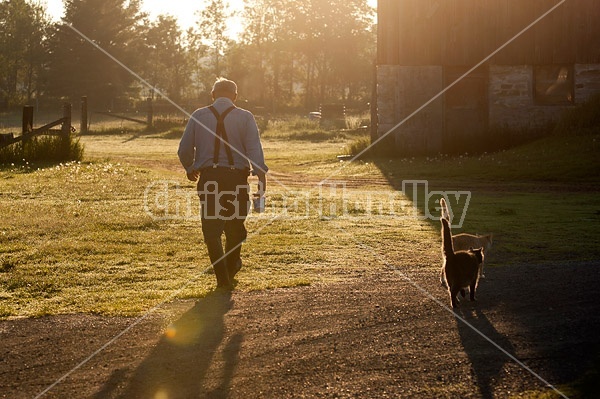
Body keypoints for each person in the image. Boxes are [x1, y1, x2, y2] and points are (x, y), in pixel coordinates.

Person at [178, 77, 268, 289]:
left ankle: (222, 278)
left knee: (212, 231)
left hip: (210, 178)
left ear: (213, 95)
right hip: (236, 178)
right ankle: (231, 266)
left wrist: (190, 167)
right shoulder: (245, 117)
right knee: (235, 226)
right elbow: (254, 149)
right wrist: (261, 178)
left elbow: (184, 149)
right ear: (235, 96)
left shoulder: (199, 115)